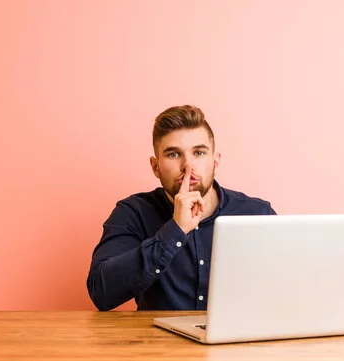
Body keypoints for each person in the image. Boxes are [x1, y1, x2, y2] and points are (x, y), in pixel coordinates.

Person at [86, 105, 276, 311]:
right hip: (159, 342)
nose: (188, 166)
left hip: (238, 341)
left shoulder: (257, 214)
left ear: (216, 161)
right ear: (155, 166)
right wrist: (175, 230)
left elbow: (286, 289)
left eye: (199, 152)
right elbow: (101, 293)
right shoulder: (133, 212)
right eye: (174, 154)